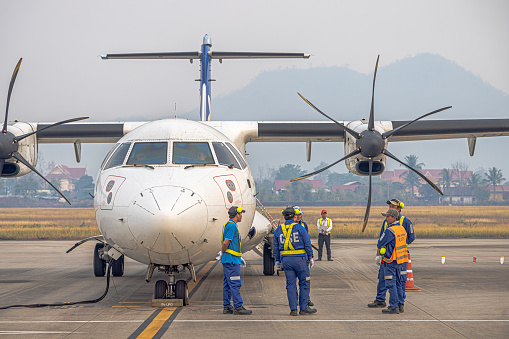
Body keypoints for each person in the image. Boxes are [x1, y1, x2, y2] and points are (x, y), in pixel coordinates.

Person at [368, 198, 415, 310]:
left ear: (398, 209)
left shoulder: (404, 223)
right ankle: (393, 302)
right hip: (398, 257)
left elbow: (381, 241)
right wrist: (378, 254)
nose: (390, 209)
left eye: (392, 206)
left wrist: (395, 246)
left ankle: (395, 305)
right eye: (389, 206)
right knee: (388, 280)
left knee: (394, 282)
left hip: (393, 258)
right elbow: (381, 238)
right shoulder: (392, 225)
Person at [273, 206, 317, 316]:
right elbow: (307, 244)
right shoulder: (300, 228)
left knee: (290, 285)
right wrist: (311, 257)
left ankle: (293, 309)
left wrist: (277, 260)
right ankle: (303, 308)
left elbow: (275, 247)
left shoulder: (278, 230)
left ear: (284, 217)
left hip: (286, 262)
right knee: (304, 283)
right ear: (294, 216)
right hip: (300, 261)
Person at [220, 206, 252, 315]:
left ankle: (227, 307)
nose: (241, 215)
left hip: (230, 259)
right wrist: (223, 252)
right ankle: (238, 307)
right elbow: (226, 243)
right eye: (240, 214)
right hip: (231, 260)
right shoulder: (232, 226)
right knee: (235, 283)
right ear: (236, 214)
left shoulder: (230, 225)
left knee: (228, 284)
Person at [376, 208, 409, 314]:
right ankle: (400, 304)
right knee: (399, 283)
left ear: (394, 218)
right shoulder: (402, 229)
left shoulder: (390, 231)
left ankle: (393, 306)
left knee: (390, 283)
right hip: (400, 260)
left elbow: (380, 243)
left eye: (388, 216)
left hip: (390, 260)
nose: (386, 219)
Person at [294, 206, 314, 307]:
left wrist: (310, 256)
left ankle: (306, 299)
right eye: (297, 215)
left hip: (304, 256)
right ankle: (296, 299)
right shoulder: (289, 226)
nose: (299, 216)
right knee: (294, 281)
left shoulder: (303, 225)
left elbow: (307, 241)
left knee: (305, 280)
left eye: (300, 214)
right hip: (294, 257)